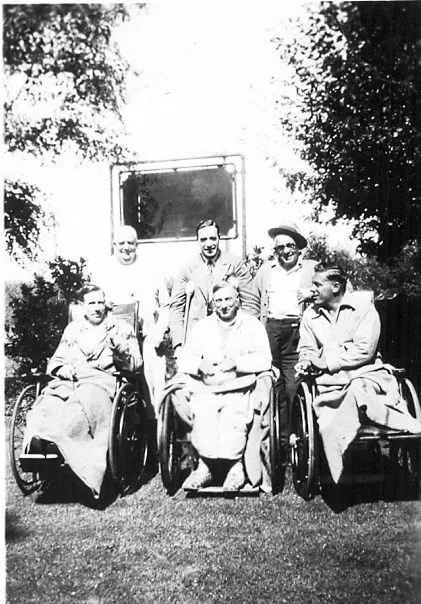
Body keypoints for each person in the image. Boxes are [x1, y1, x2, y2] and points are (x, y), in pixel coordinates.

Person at [296, 264, 421, 482]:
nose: (311, 289)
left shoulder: (363, 310)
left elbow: (364, 351)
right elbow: (307, 349)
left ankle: (396, 423)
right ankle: (339, 460)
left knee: (357, 389)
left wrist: (327, 359)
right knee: (333, 406)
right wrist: (306, 361)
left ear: (335, 287)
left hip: (367, 375)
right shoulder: (310, 315)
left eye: (317, 284)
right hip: (330, 384)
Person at [23, 284, 142, 497]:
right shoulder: (73, 330)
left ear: (106, 304)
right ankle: (43, 441)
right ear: (83, 307)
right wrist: (62, 368)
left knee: (84, 404)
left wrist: (119, 349)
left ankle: (67, 450)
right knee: (49, 402)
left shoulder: (120, 328)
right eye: (91, 303)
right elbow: (57, 360)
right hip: (69, 381)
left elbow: (135, 365)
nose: (97, 308)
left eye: (100, 302)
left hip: (101, 381)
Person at [175, 281, 272, 490]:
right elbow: (184, 359)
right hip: (208, 386)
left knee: (233, 411)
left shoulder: (252, 325)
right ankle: (205, 467)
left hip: (241, 384)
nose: (224, 305)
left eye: (228, 299)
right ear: (212, 304)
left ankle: (235, 467)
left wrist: (237, 362)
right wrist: (200, 364)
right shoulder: (202, 327)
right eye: (218, 300)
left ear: (237, 300)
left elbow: (264, 359)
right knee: (203, 409)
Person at [252, 221, 317, 473]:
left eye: (290, 246)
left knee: (293, 385)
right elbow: (251, 299)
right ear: (275, 250)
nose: (286, 251)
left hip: (296, 330)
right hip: (270, 329)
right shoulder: (265, 270)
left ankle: (296, 441)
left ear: (299, 248)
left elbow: (339, 288)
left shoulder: (312, 269)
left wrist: (313, 293)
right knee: (270, 384)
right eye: (280, 247)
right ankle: (275, 445)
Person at [91, 225, 170, 412]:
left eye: (130, 243)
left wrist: (159, 333)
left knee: (153, 383)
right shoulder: (102, 270)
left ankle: (155, 431)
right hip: (115, 341)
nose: (126, 247)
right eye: (121, 243)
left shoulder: (151, 268)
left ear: (137, 244)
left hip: (148, 337)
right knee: (109, 384)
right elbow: (92, 305)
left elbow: (166, 305)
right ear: (113, 245)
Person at [169, 219, 257, 355]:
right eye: (203, 240)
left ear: (219, 238)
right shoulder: (188, 268)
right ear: (197, 241)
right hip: (198, 337)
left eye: (212, 238)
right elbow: (176, 308)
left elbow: (250, 302)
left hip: (230, 334)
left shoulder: (235, 264)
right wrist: (179, 345)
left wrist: (248, 335)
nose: (209, 244)